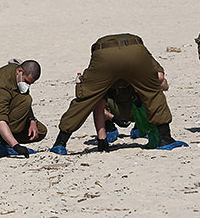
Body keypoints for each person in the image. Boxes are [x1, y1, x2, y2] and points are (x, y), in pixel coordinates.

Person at [51, 34, 181, 154]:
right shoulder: (138, 51)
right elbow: (159, 77)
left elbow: (97, 103)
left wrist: (102, 140)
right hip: (135, 49)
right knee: (152, 93)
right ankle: (165, 138)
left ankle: (60, 143)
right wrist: (153, 86)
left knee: (86, 98)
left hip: (104, 53)